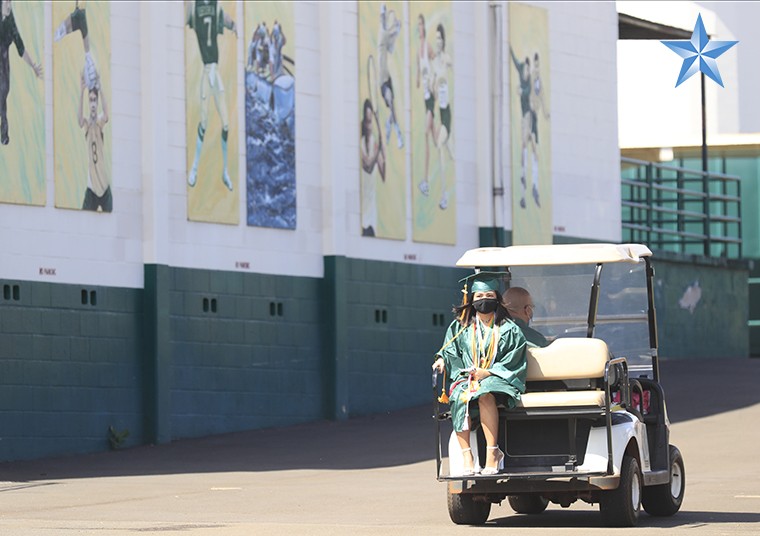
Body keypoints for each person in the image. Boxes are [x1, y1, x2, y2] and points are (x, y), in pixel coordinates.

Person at [432, 273, 528, 476]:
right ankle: (467, 456)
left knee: (485, 392)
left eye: (489, 294)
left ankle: (493, 453)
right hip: (467, 376)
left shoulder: (509, 329)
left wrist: (488, 372)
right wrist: (441, 360)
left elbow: (514, 359)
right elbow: (449, 349)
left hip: (497, 377)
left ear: (497, 299)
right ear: (471, 300)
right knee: (459, 396)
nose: (484, 299)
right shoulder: (461, 327)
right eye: (479, 296)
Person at [185, 0, 237, 192]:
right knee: (204, 122)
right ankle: (195, 167)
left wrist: (235, 26)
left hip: (216, 71)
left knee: (225, 123)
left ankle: (225, 171)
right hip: (207, 71)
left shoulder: (215, 6)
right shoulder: (195, 7)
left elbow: (226, 19)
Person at [0, 0, 42, 146]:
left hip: (3, 64)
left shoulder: (11, 23)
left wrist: (33, 66)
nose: (9, 6)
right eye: (6, 2)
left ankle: (4, 134)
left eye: (10, 2)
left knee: (3, 93)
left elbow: (21, 48)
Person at [510, 46, 540, 209]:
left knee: (527, 143)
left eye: (528, 69)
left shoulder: (528, 85)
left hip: (529, 117)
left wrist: (520, 91)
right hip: (525, 117)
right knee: (527, 145)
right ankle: (527, 183)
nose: (526, 71)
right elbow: (515, 62)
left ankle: (531, 181)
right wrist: (510, 49)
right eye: (526, 68)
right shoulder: (522, 71)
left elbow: (526, 92)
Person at [430, 23, 453, 210]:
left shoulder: (446, 59)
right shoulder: (434, 63)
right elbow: (431, 87)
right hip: (438, 111)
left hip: (446, 113)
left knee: (439, 145)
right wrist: (432, 86)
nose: (437, 41)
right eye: (435, 38)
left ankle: (444, 195)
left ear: (443, 40)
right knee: (449, 150)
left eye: (440, 38)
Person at [415, 13, 436, 199]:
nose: (419, 27)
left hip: (432, 97)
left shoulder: (428, 46)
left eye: (421, 24)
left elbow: (435, 62)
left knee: (425, 134)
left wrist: (432, 82)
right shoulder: (418, 49)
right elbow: (417, 70)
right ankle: (445, 138)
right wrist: (417, 80)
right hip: (425, 98)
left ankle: (425, 181)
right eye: (418, 24)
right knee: (434, 137)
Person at [377, 4, 403, 150]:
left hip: (388, 78)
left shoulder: (386, 41)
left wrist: (397, 30)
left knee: (392, 105)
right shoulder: (382, 34)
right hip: (382, 80)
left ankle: (388, 124)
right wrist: (397, 28)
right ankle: (397, 132)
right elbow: (388, 32)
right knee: (391, 102)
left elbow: (392, 46)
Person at [360, 98, 385, 237]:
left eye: (372, 122)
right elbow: (368, 166)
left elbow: (383, 173)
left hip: (372, 214)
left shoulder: (375, 144)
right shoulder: (361, 144)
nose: (369, 126)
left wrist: (382, 145)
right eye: (368, 122)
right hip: (363, 215)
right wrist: (379, 149)